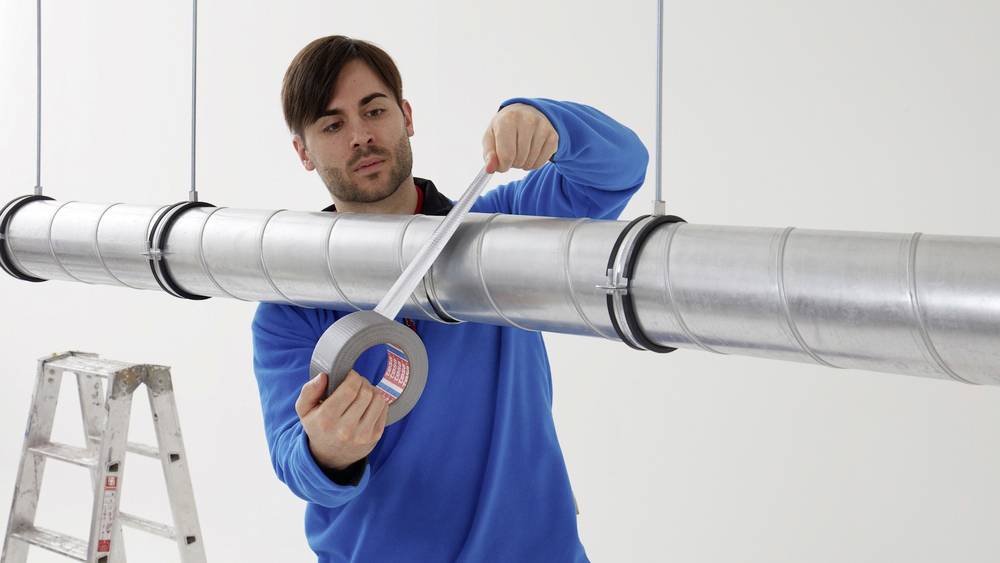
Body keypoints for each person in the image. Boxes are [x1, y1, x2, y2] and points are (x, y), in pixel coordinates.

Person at [251, 35, 647, 562]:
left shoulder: (501, 234)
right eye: (333, 124)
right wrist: (327, 452)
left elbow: (620, 168)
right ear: (303, 151)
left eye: (374, 110)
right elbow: (293, 461)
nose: (361, 136)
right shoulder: (288, 309)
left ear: (406, 116)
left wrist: (546, 121)